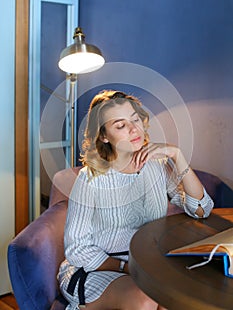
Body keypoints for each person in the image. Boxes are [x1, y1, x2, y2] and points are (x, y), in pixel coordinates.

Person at [58, 90, 214, 310]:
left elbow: (201, 209)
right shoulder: (90, 178)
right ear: (103, 136)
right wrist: (129, 267)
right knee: (145, 300)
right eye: (120, 125)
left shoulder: (156, 165)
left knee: (174, 299)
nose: (134, 129)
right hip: (94, 269)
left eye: (135, 119)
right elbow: (76, 249)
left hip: (146, 264)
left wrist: (177, 156)